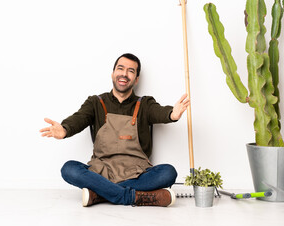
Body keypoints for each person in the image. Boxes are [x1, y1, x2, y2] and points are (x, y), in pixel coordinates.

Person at [40, 53, 190, 207]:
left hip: (137, 173)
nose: (124, 74)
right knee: (69, 169)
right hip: (101, 171)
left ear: (136, 79)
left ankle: (101, 194)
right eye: (120, 68)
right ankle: (131, 197)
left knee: (168, 173)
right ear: (113, 74)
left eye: (131, 71)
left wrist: (172, 114)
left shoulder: (145, 103)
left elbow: (160, 112)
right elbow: (79, 118)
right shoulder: (95, 102)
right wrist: (65, 129)